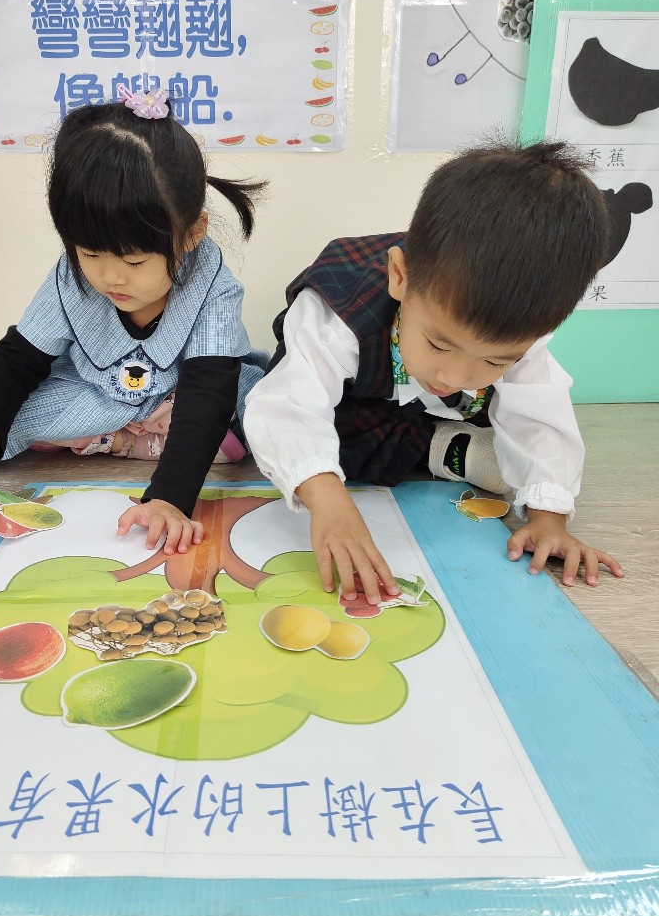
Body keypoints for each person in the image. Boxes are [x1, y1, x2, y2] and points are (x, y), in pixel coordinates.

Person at [243, 139, 624, 605]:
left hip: (446, 412)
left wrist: (548, 518)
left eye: (496, 360)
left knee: (516, 443)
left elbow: (540, 416)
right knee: (335, 447)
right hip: (356, 409)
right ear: (400, 277)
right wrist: (327, 498)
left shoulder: (521, 325)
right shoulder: (338, 307)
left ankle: (444, 442)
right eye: (439, 343)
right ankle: (438, 446)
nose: (457, 375)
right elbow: (290, 406)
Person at [0, 87, 267, 555]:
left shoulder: (213, 284)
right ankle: (123, 437)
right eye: (90, 254)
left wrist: (168, 499)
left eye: (134, 262)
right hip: (94, 391)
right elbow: (17, 360)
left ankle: (115, 438)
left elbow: (209, 386)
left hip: (181, 394)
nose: (111, 277)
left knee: (246, 405)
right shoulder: (70, 276)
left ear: (192, 234)